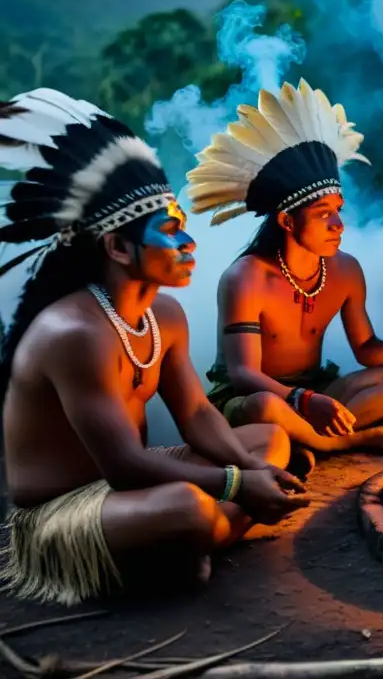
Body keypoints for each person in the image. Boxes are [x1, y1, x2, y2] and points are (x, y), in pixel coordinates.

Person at [0, 88, 308, 606]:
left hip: (130, 485)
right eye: (170, 232)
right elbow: (122, 464)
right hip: (66, 507)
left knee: (270, 442)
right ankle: (193, 541)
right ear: (118, 247)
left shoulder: (163, 314)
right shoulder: (74, 333)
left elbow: (195, 414)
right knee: (188, 507)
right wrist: (236, 489)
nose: (189, 244)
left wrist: (247, 471)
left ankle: (189, 550)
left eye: (184, 228)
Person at [186, 80, 383, 465]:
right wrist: (303, 400)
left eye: (339, 209)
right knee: (264, 409)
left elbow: (366, 349)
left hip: (315, 392)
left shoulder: (346, 270)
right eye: (324, 214)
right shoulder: (246, 277)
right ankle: (335, 442)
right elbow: (242, 374)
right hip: (256, 400)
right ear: (288, 221)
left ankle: (308, 442)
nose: (338, 224)